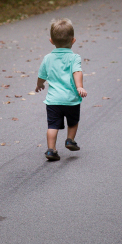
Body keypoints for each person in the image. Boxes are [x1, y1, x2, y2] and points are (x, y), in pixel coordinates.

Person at [35, 18, 87, 161]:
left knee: (52, 125)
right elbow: (77, 72)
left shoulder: (47, 58)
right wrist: (79, 86)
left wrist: (39, 85)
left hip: (53, 101)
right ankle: (70, 140)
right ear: (73, 40)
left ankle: (51, 150)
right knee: (73, 121)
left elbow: (41, 76)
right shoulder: (74, 57)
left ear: (51, 41)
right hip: (71, 99)